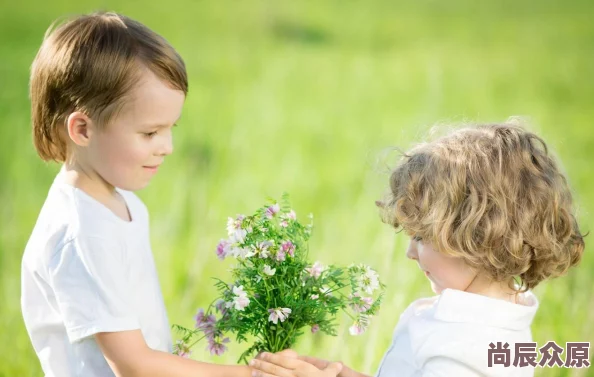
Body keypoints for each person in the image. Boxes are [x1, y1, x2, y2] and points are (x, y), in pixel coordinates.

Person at [249, 122, 586, 377]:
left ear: (477, 240)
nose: (410, 252)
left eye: (422, 238)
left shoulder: (464, 351)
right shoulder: (485, 321)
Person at [21, 11, 253, 377]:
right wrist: (251, 375)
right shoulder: (83, 232)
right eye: (149, 133)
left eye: (170, 128)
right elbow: (133, 364)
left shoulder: (118, 203)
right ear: (82, 129)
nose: (168, 147)